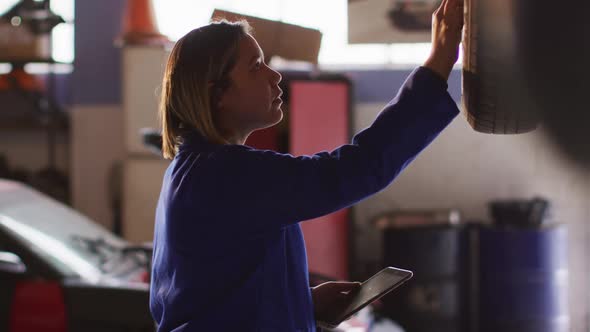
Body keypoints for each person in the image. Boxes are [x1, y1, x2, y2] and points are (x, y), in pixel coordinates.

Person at [149, 0, 464, 330]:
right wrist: (439, 61)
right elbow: (358, 168)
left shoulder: (192, 169)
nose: (275, 75)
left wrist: (303, 298)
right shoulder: (228, 175)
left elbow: (214, 290)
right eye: (256, 67)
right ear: (218, 95)